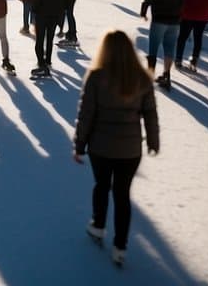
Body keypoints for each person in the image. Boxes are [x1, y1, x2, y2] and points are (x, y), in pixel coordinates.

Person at [73, 29, 159, 267]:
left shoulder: (97, 76)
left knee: (102, 186)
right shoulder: (142, 78)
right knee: (123, 195)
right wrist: (153, 140)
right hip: (130, 150)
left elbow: (86, 114)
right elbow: (150, 113)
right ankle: (120, 246)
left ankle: (98, 226)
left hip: (101, 147)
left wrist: (80, 144)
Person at [139, 0, 182, 90]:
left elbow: (147, 2)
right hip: (174, 22)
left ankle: (150, 74)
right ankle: (166, 74)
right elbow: (182, 3)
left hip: (159, 21)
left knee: (154, 46)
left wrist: (143, 13)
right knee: (169, 48)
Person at [31, 0, 69, 78]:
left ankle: (41, 63)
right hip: (54, 16)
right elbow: (66, 1)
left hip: (41, 16)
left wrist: (34, 9)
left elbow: (37, 0)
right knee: (50, 39)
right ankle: (48, 60)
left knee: (39, 40)